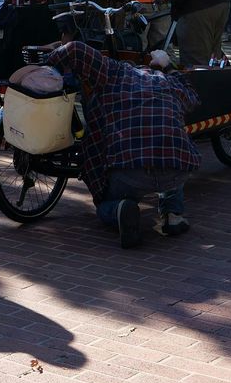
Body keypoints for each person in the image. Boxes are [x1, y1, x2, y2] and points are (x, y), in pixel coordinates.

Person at [46, 41, 200, 247]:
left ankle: (120, 208)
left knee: (104, 205)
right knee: (171, 145)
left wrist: (47, 66)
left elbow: (74, 49)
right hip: (175, 171)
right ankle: (173, 216)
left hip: (130, 172)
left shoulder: (115, 73)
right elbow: (193, 98)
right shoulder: (166, 80)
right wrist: (168, 64)